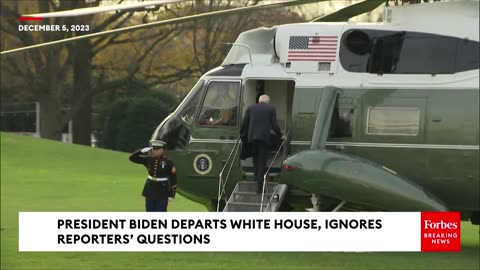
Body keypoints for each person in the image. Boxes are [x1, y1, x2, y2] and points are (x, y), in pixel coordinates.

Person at [240, 94, 283, 194]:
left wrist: (243, 135)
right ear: (268, 101)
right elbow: (274, 125)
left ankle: (256, 179)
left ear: (259, 101)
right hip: (263, 139)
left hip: (252, 139)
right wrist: (280, 135)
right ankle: (259, 188)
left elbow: (244, 123)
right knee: (262, 163)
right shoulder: (271, 108)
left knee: (255, 161)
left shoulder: (250, 108)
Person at [129, 140, 177, 212]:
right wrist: (140, 151)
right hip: (150, 190)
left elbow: (173, 178)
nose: (154, 151)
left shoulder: (168, 162)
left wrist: (172, 194)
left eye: (157, 149)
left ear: (162, 150)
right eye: (153, 149)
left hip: (162, 191)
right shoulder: (149, 159)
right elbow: (132, 158)